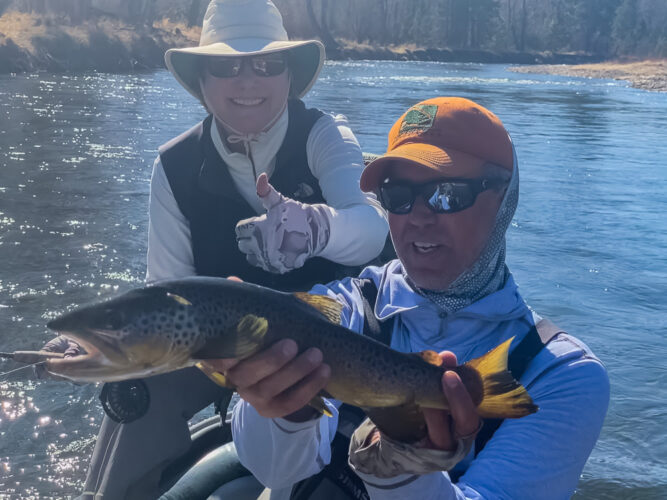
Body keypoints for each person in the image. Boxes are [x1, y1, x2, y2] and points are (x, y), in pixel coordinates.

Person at [45, 1, 388, 497]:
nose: (247, 80)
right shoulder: (173, 167)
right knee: (133, 392)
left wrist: (317, 227)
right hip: (215, 354)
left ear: (289, 74)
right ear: (201, 80)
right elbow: (163, 295)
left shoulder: (324, 136)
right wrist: (95, 345)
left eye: (266, 64)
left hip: (331, 343)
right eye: (226, 66)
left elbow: (371, 228)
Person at [207, 97, 610, 499]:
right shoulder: (340, 307)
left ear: (505, 200)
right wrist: (288, 407)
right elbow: (274, 471)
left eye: (447, 193)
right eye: (398, 194)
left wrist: (398, 467)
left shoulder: (561, 374)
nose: (418, 215)